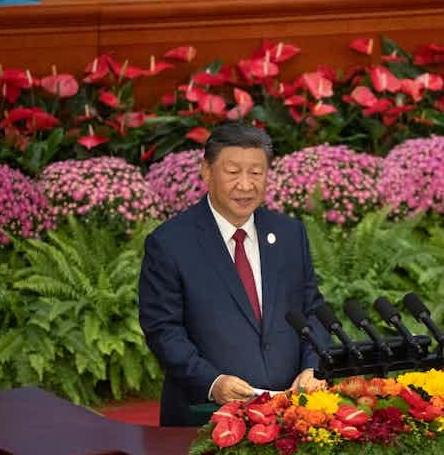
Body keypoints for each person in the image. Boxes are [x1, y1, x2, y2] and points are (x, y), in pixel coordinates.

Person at [139, 121, 330, 426]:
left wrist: (313, 367)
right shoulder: (170, 243)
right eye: (232, 172)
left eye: (256, 173)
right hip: (207, 418)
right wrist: (212, 382)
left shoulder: (290, 234)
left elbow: (313, 311)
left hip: (292, 416)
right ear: (206, 172)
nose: (245, 185)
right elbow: (163, 331)